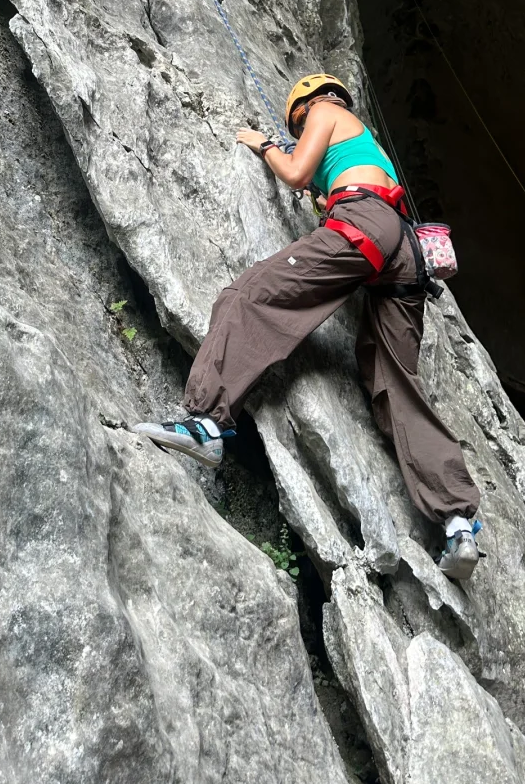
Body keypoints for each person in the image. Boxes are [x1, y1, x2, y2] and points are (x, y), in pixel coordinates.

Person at [135, 73, 483, 580]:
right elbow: (321, 182)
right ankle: (457, 522)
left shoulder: (325, 111)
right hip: (406, 254)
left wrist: (264, 147)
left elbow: (296, 172)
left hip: (364, 224)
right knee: (393, 383)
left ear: (304, 108)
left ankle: (204, 421)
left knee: (250, 296)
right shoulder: (362, 147)